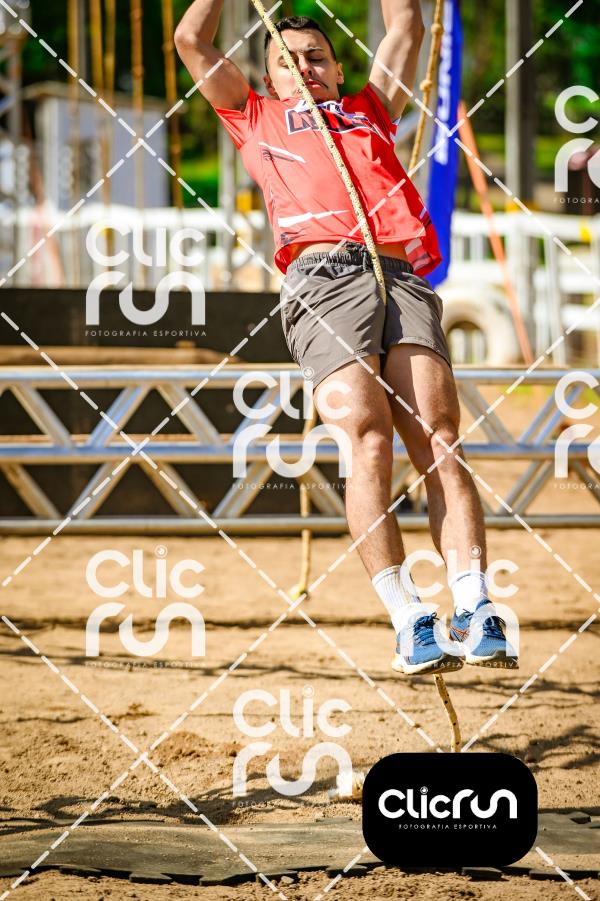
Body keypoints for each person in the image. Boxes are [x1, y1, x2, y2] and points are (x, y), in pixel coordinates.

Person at [175, 0, 518, 675]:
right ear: (269, 78)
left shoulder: (371, 109)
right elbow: (191, 37)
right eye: (287, 61)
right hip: (323, 277)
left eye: (316, 57)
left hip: (399, 273)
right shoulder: (254, 115)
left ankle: (474, 605)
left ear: (337, 69)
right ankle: (409, 617)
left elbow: (406, 25)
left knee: (439, 437)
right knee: (367, 435)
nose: (303, 67)